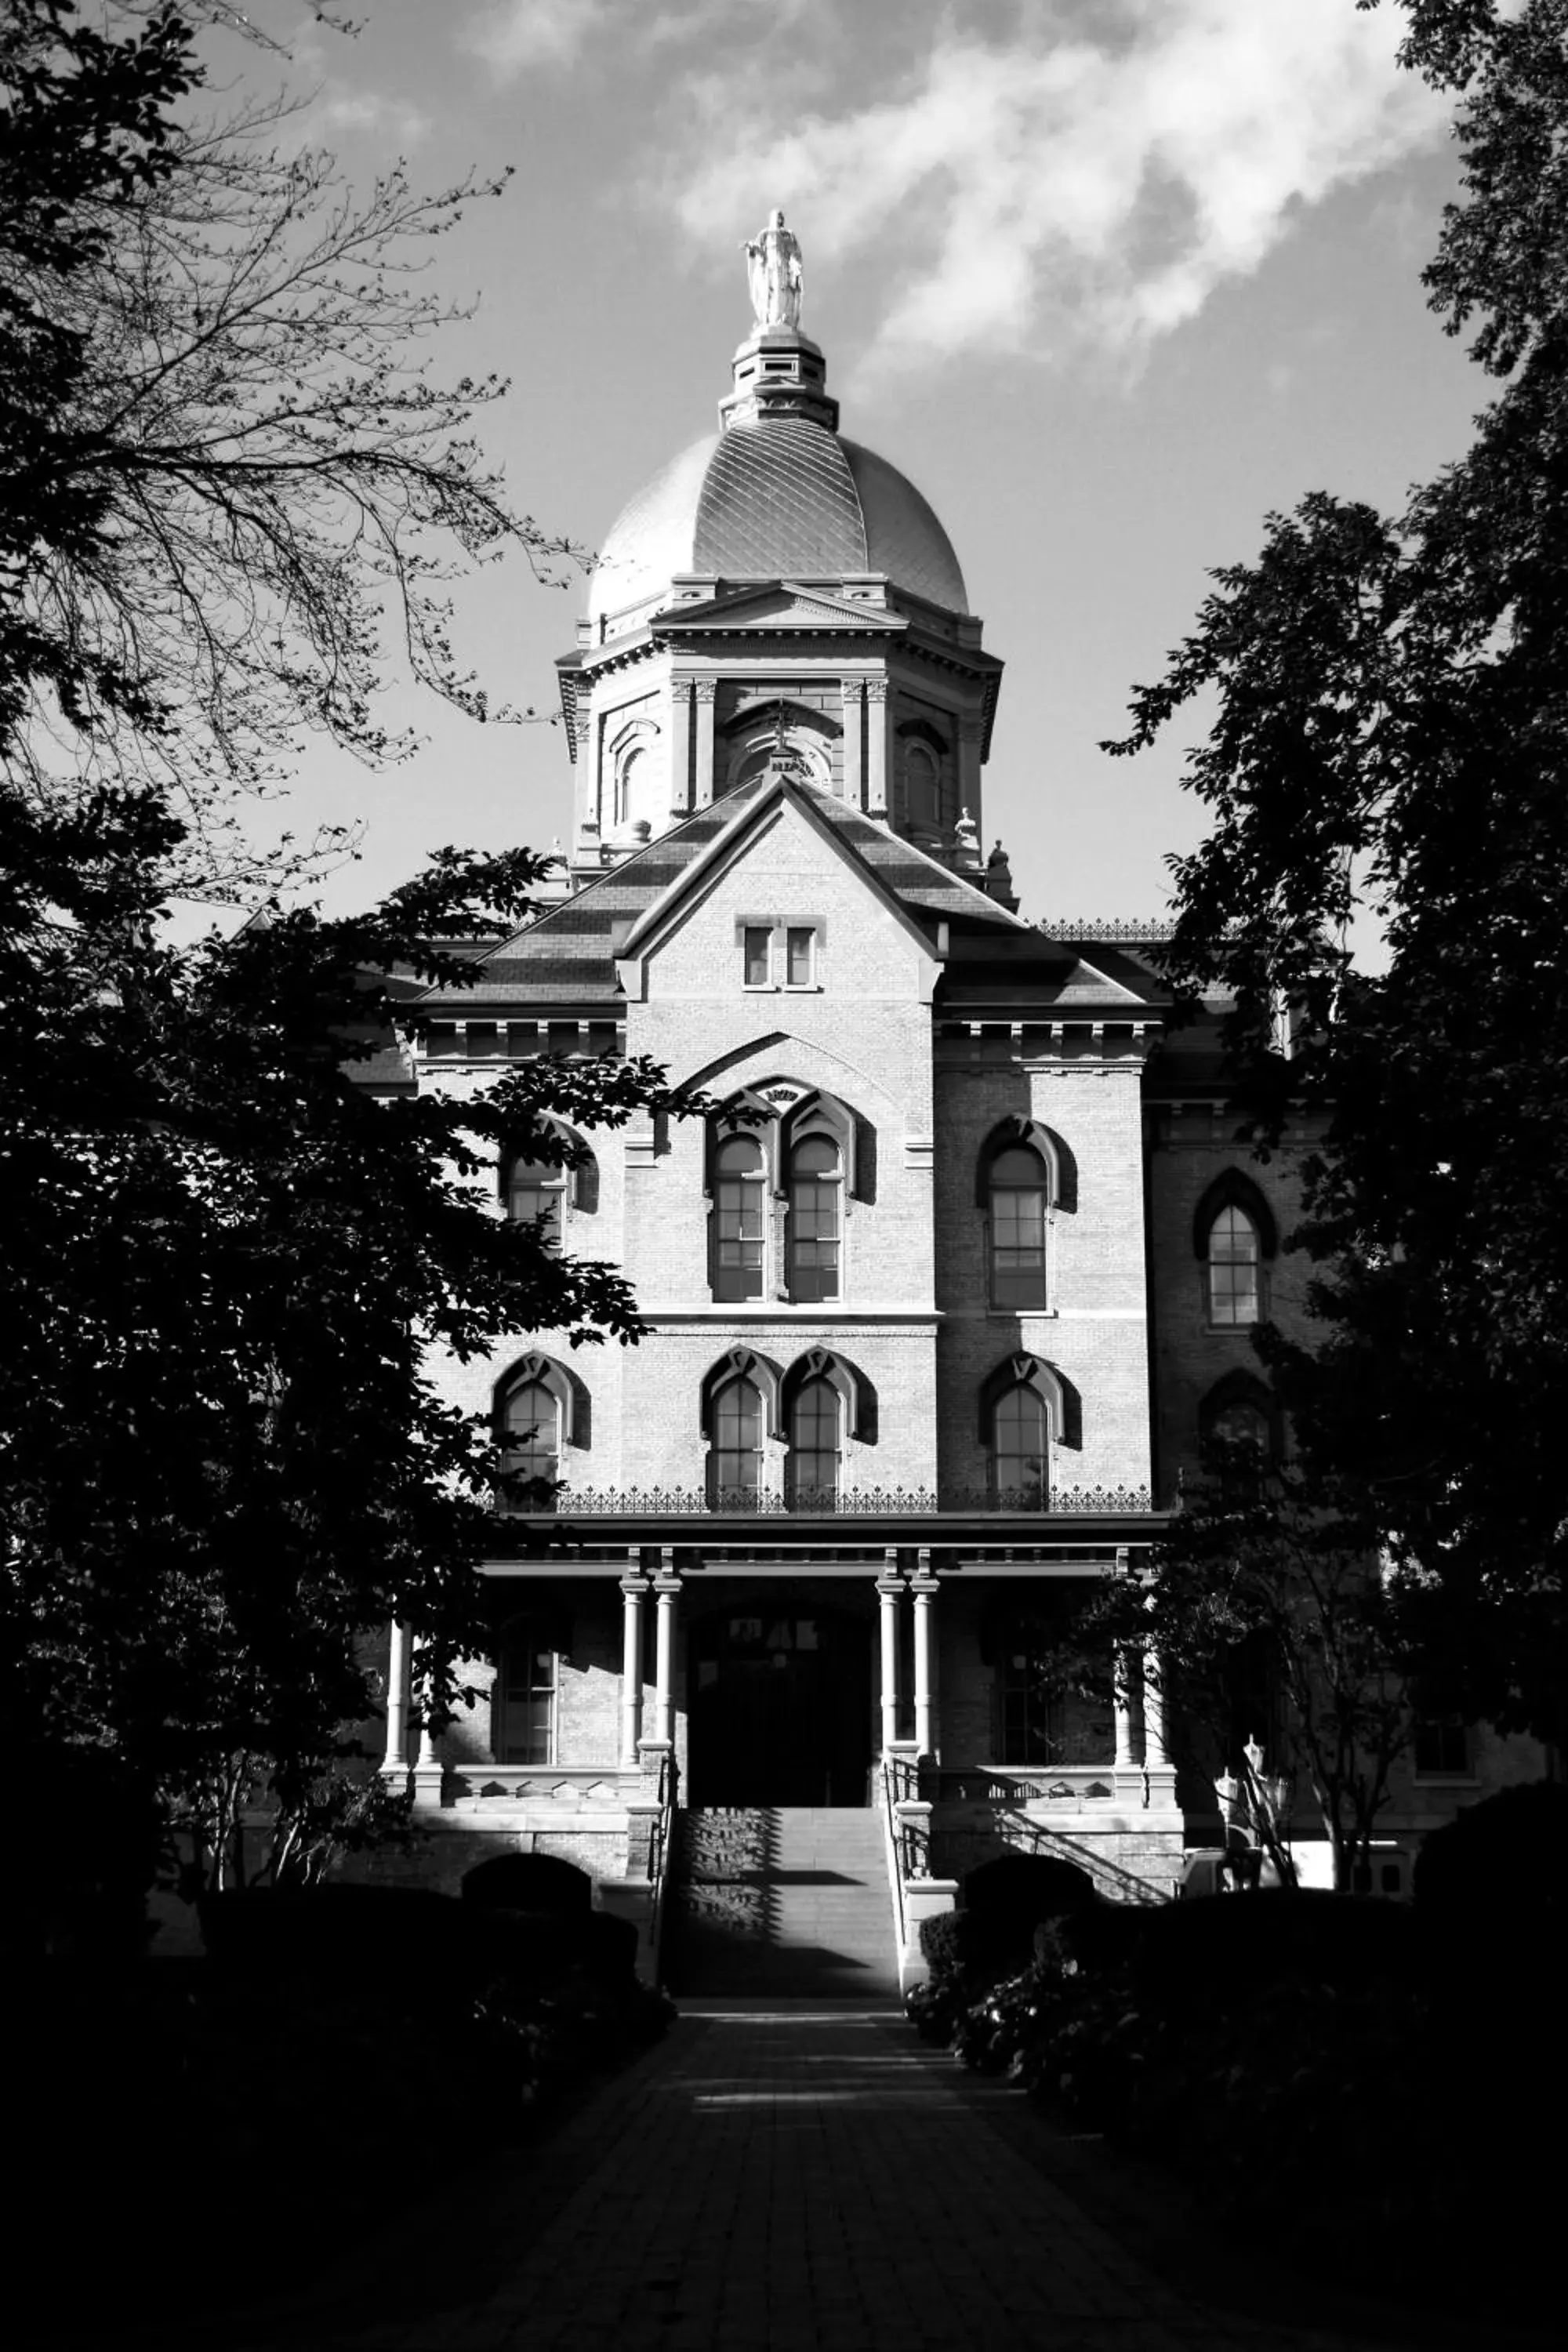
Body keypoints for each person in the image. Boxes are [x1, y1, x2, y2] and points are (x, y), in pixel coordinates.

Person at [742, 209, 804, 330]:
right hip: (769, 267)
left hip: (783, 266)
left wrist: (795, 264)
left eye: (782, 216)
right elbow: (759, 253)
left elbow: (794, 252)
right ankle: (770, 319)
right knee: (769, 292)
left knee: (783, 291)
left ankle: (783, 318)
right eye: (778, 216)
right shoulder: (765, 234)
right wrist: (752, 249)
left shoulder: (788, 234)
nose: (780, 219)